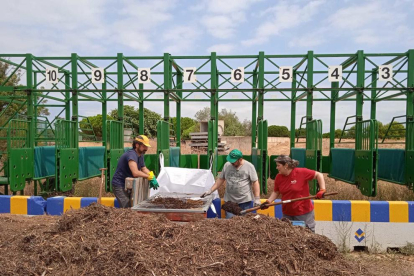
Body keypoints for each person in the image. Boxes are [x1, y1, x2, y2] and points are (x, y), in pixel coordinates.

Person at [261, 155, 326, 232]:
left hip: (303, 212)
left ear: (286, 165)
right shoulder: (278, 177)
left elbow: (319, 175)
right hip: (287, 213)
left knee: (307, 235)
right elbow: (276, 191)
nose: (277, 168)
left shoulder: (301, 172)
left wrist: (322, 190)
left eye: (278, 166)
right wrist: (268, 202)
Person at [201, 149, 261, 218]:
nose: (231, 163)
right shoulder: (227, 165)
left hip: (245, 201)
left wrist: (257, 198)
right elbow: (221, 179)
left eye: (234, 161)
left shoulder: (249, 166)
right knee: (230, 222)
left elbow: (255, 182)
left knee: (245, 222)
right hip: (230, 201)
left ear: (240, 159)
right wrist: (210, 190)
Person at [111, 135, 159, 208]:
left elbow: (143, 168)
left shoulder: (140, 154)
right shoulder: (131, 155)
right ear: (137, 145)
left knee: (133, 206)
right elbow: (135, 173)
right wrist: (149, 177)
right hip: (119, 184)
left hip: (128, 184)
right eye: (144, 146)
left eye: (147, 146)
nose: (146, 148)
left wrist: (152, 175)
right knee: (127, 208)